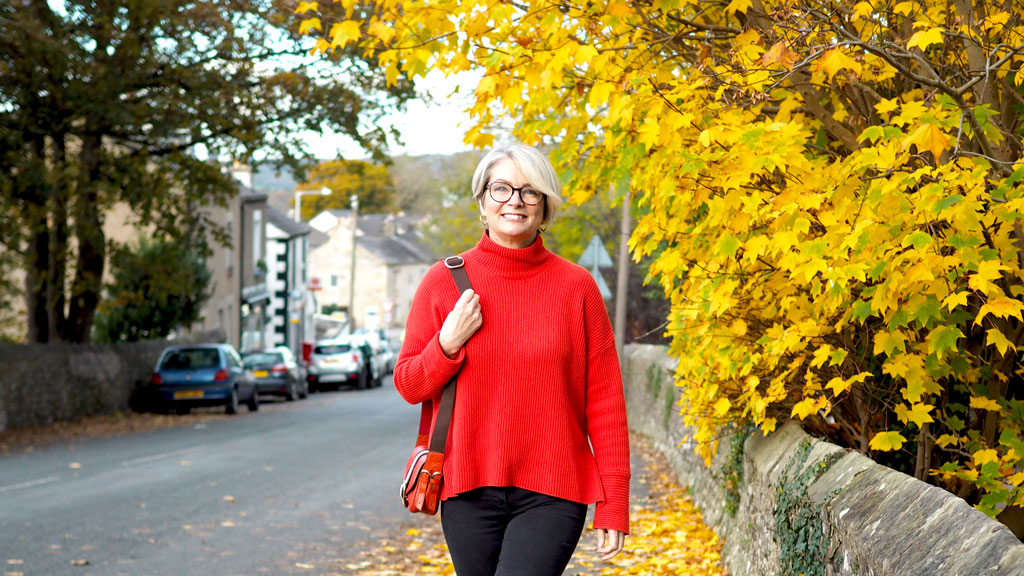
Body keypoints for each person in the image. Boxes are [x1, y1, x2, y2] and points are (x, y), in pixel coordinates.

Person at [394, 143, 630, 576]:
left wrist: (613, 502)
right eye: (501, 189)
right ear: (482, 201)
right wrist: (445, 345)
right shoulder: (442, 280)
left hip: (555, 489)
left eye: (530, 191)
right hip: (466, 487)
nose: (515, 201)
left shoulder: (577, 287)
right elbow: (409, 385)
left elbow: (606, 403)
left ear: (545, 206)